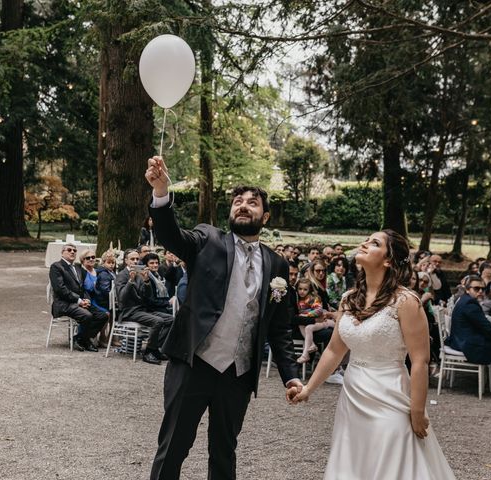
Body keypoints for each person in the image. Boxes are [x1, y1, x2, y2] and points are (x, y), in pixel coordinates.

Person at [145, 156, 301, 480]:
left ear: (265, 216)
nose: (243, 206)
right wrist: (161, 193)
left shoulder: (277, 266)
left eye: (253, 203)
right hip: (194, 364)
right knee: (173, 447)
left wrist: (291, 376)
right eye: (238, 201)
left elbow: (280, 327)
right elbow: (172, 236)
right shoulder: (208, 240)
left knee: (224, 453)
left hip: (237, 375)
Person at [291, 230, 457, 479]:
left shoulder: (406, 301)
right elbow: (335, 350)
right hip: (353, 394)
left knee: (392, 465)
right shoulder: (348, 299)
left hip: (390, 394)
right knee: (355, 464)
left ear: (388, 260)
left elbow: (420, 361)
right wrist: (308, 389)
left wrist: (418, 411)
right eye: (366, 240)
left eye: (375, 243)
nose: (365, 244)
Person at [115, 248, 172, 365]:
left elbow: (147, 297)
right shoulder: (122, 275)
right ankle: (148, 353)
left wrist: (146, 282)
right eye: (132, 259)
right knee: (158, 321)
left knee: (170, 319)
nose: (135, 261)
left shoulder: (140, 274)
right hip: (129, 311)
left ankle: (154, 349)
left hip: (143, 310)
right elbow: (122, 298)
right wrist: (130, 281)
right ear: (126, 261)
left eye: (137, 259)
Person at [48, 244, 108, 352]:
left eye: (74, 250)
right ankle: (85, 340)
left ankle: (80, 338)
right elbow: (60, 289)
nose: (72, 252)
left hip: (78, 302)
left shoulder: (77, 267)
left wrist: (86, 299)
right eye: (69, 250)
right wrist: (79, 301)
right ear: (62, 252)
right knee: (87, 315)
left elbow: (82, 288)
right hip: (63, 303)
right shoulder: (56, 267)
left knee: (102, 316)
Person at [294, 278, 334, 364]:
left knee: (308, 328)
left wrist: (306, 315)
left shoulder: (312, 298)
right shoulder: (300, 300)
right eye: (300, 289)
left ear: (309, 290)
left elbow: (319, 310)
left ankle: (305, 354)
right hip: (312, 321)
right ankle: (312, 344)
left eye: (305, 289)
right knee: (301, 324)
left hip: (320, 321)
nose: (302, 291)